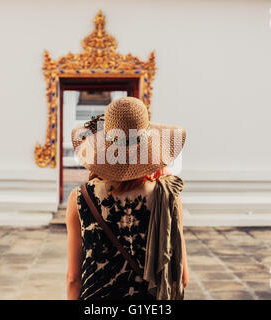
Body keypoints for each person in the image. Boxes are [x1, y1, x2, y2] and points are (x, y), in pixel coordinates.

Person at [66, 97, 189, 300]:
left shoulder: (80, 198)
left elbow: (73, 278)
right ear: (149, 148)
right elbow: (182, 276)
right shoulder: (167, 197)